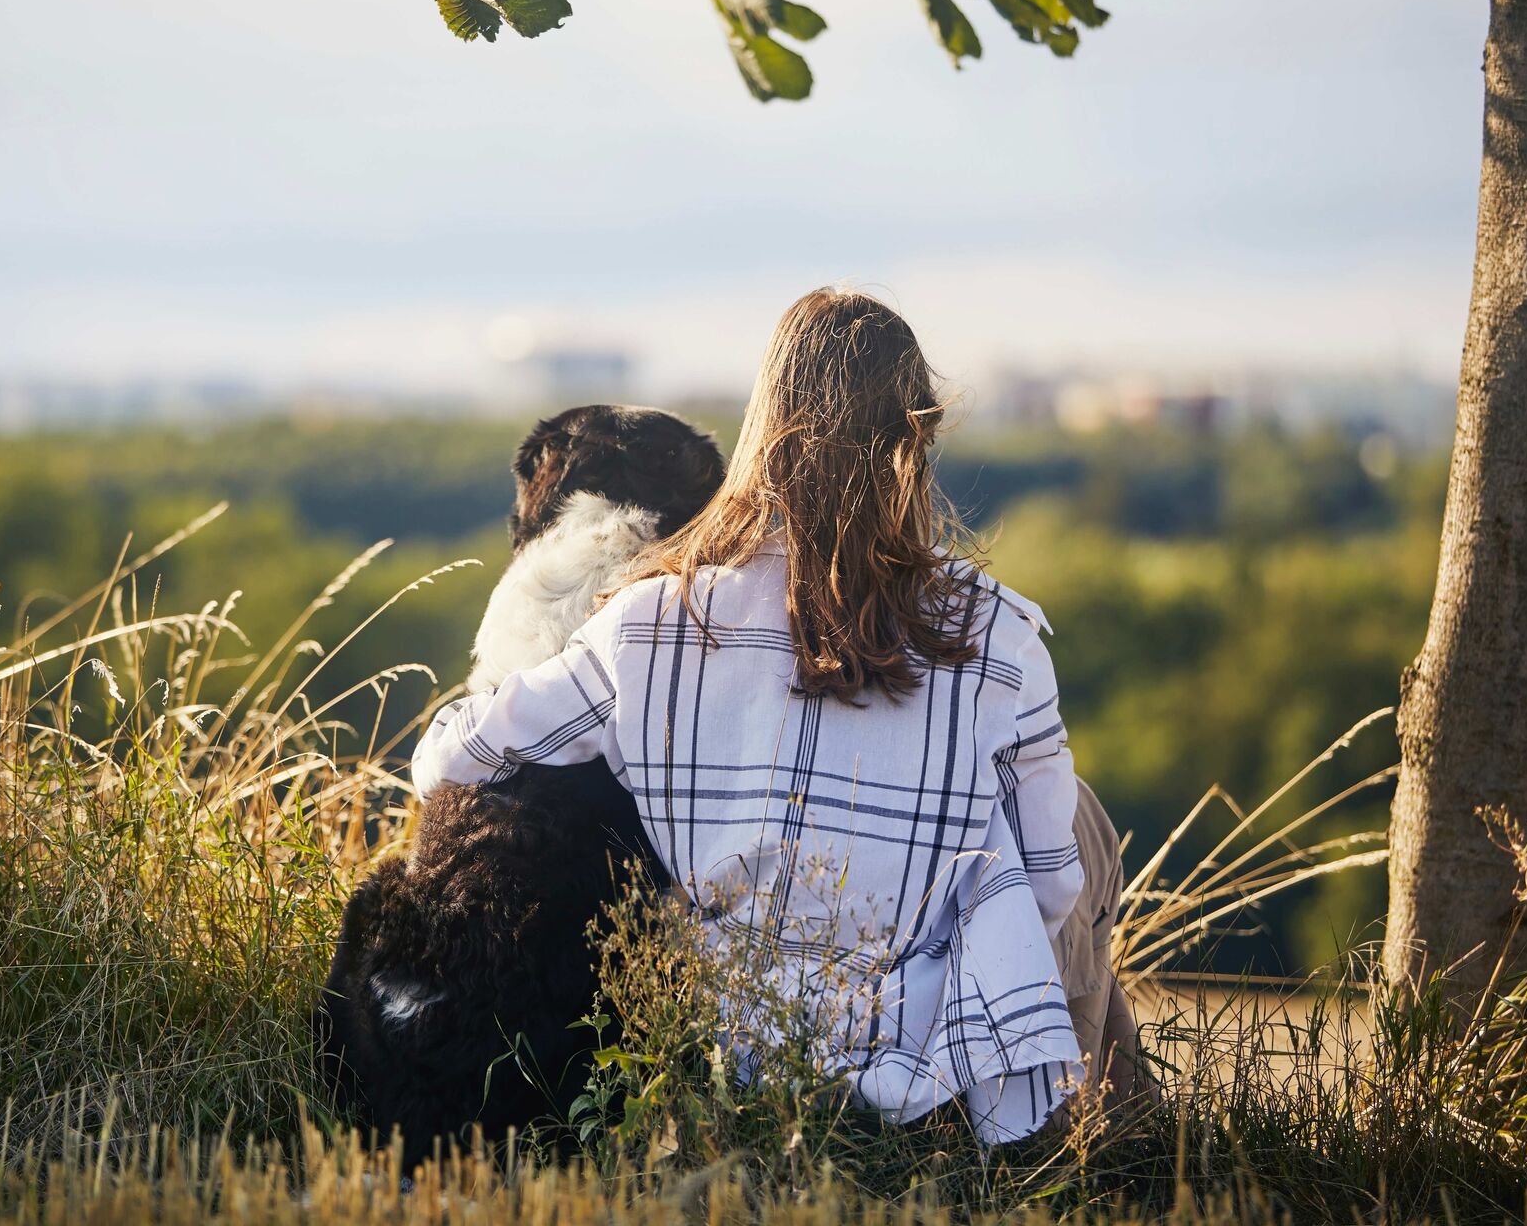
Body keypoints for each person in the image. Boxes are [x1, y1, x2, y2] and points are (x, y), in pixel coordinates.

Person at [412, 287, 1141, 1144]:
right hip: (925, 1089)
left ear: (762, 431)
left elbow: (452, 766)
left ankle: (1115, 1137)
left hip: (714, 1070)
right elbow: (1054, 886)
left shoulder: (647, 618)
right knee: (1075, 837)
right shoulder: (1001, 639)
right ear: (918, 440)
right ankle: (1099, 1148)